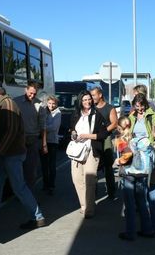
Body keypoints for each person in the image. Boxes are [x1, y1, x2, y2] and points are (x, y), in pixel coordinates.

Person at [0, 80, 45, 230]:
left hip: (11, 154)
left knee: (19, 187)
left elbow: (10, 132)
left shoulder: (8, 105)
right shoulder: (6, 104)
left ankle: (38, 217)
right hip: (6, 155)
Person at [114, 116, 154, 241]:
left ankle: (130, 233)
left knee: (130, 204)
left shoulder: (121, 140)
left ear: (119, 128)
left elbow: (127, 154)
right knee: (142, 202)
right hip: (141, 173)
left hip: (129, 174)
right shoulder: (136, 136)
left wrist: (118, 161)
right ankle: (147, 229)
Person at [69, 90, 107, 219]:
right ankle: (84, 205)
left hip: (91, 150)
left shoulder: (97, 114)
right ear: (80, 101)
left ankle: (89, 209)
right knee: (77, 179)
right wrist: (73, 134)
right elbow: (72, 129)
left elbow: (103, 134)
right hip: (77, 151)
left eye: (89, 99)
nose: (87, 102)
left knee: (89, 180)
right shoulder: (75, 114)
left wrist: (87, 136)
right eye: (84, 100)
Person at [14, 82, 47, 188]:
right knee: (18, 168)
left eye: (34, 94)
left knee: (31, 170)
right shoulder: (16, 102)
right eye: (30, 93)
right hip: (18, 140)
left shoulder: (39, 104)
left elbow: (43, 126)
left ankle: (30, 195)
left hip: (33, 140)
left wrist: (44, 144)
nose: (32, 96)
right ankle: (20, 193)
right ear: (26, 90)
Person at [90, 86, 118, 200]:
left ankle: (111, 192)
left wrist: (104, 132)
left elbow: (115, 123)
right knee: (93, 167)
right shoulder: (91, 108)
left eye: (93, 95)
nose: (92, 98)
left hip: (106, 139)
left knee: (108, 167)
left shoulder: (109, 108)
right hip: (93, 139)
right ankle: (93, 194)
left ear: (100, 95)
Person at [40, 95, 61, 195]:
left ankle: (51, 185)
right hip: (44, 141)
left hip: (52, 142)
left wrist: (43, 128)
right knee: (44, 165)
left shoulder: (58, 113)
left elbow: (53, 127)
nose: (51, 105)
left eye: (53, 104)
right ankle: (45, 184)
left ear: (56, 104)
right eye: (49, 103)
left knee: (51, 165)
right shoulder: (45, 111)